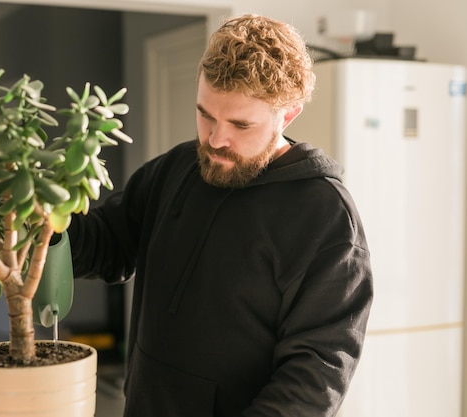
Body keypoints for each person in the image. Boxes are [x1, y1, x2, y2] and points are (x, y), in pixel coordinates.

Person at [68, 13, 373, 417]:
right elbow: (107, 243)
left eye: (240, 124)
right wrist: (44, 227)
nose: (215, 139)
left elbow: (316, 374)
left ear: (288, 115)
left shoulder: (325, 216)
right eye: (205, 114)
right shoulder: (177, 167)